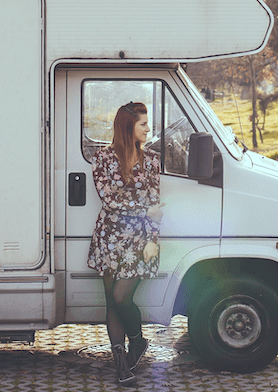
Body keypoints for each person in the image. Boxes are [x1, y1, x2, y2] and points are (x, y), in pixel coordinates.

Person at [87, 101, 165, 387]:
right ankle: (120, 362)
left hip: (140, 240)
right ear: (126, 127)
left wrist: (152, 240)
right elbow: (109, 199)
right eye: (143, 124)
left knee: (121, 298)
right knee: (112, 301)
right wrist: (144, 210)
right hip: (109, 238)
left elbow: (156, 203)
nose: (148, 128)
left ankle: (137, 340)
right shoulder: (103, 158)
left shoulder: (152, 160)